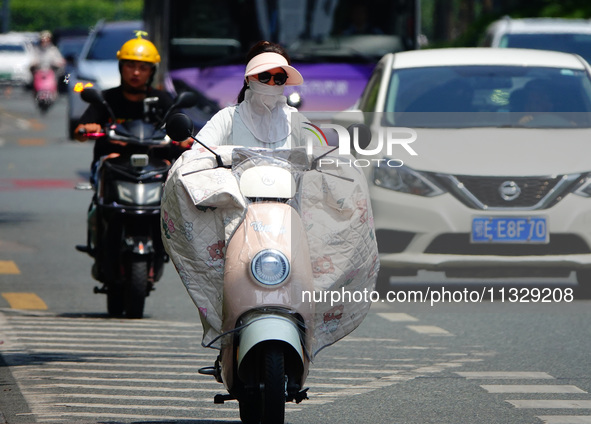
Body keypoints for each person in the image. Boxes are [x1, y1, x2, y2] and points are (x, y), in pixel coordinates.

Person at [74, 31, 192, 181]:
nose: (136, 72)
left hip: (156, 170)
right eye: (130, 66)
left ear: (151, 72)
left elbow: (182, 131)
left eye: (143, 68)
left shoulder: (163, 100)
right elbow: (79, 132)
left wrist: (184, 139)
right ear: (121, 67)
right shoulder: (105, 99)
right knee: (109, 164)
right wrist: (87, 129)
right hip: (113, 168)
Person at [193, 40, 318, 149]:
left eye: (279, 78)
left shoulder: (297, 122)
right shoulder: (227, 119)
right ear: (248, 79)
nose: (271, 83)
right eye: (264, 76)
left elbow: (323, 160)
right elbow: (198, 155)